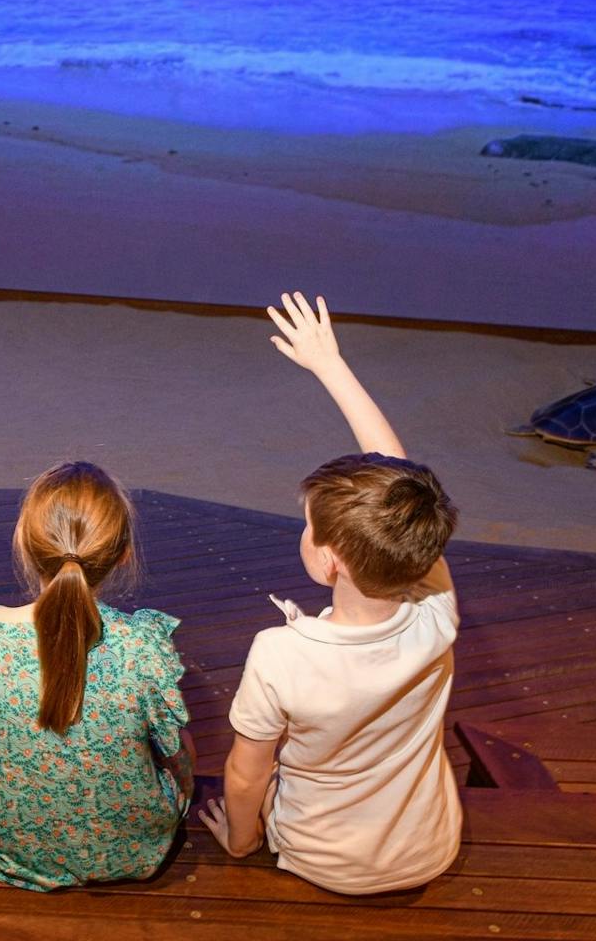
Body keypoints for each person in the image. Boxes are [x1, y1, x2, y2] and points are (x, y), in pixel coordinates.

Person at [200, 292, 462, 894]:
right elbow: (398, 480)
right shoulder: (436, 609)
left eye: (308, 525)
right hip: (428, 850)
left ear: (329, 562)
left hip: (321, 861)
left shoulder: (283, 653)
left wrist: (241, 841)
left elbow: (246, 776)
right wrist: (330, 365)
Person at [0, 461, 194, 890]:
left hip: (15, 851)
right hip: (133, 851)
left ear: (23, 542)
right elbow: (178, 755)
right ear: (123, 554)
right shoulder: (142, 645)